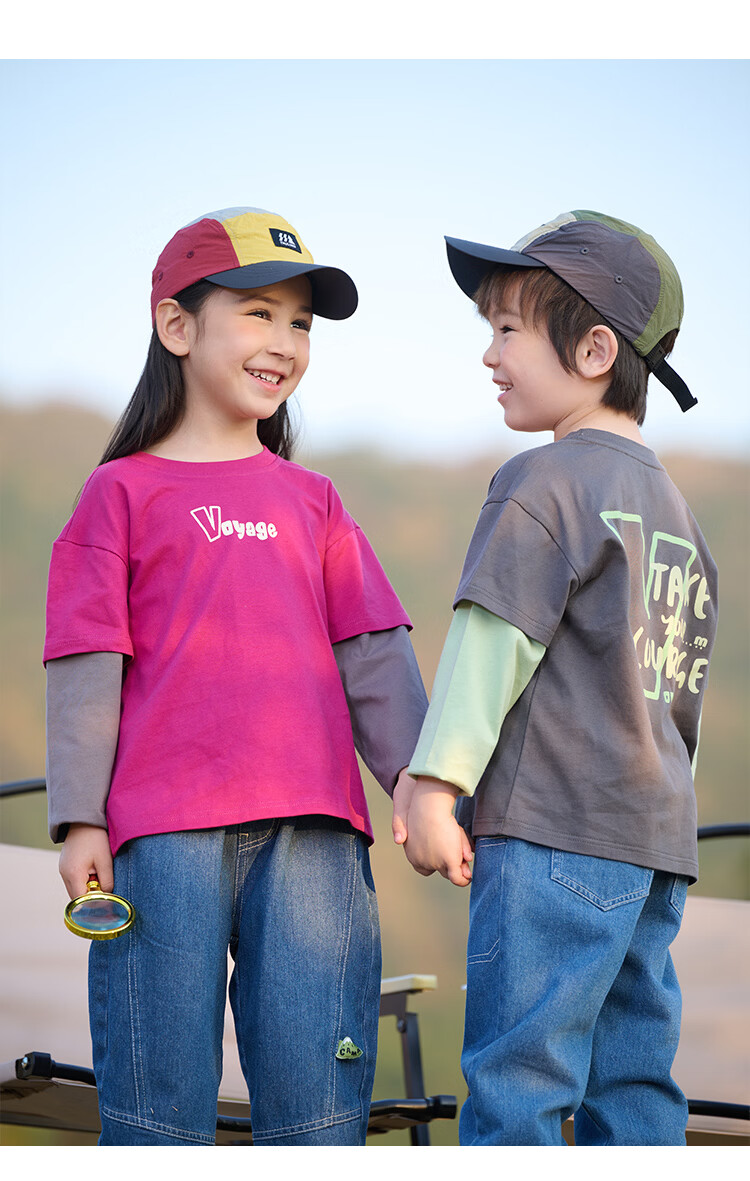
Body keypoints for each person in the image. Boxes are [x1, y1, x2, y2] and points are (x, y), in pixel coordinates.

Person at [44, 206, 428, 1146]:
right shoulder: (119, 492)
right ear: (177, 326)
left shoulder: (315, 501)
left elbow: (373, 650)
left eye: (300, 322)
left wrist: (421, 783)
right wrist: (82, 815)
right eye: (259, 313)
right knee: (157, 1114)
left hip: (314, 837)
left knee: (318, 1116)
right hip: (160, 840)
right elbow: (87, 662)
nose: (285, 342)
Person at [392, 211, 718, 1146]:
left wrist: (434, 784)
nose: (489, 354)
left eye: (507, 329)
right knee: (634, 1084)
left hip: (553, 836)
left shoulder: (544, 481)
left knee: (520, 1081)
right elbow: (679, 702)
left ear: (594, 350)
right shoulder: (679, 517)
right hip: (655, 849)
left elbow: (492, 643)